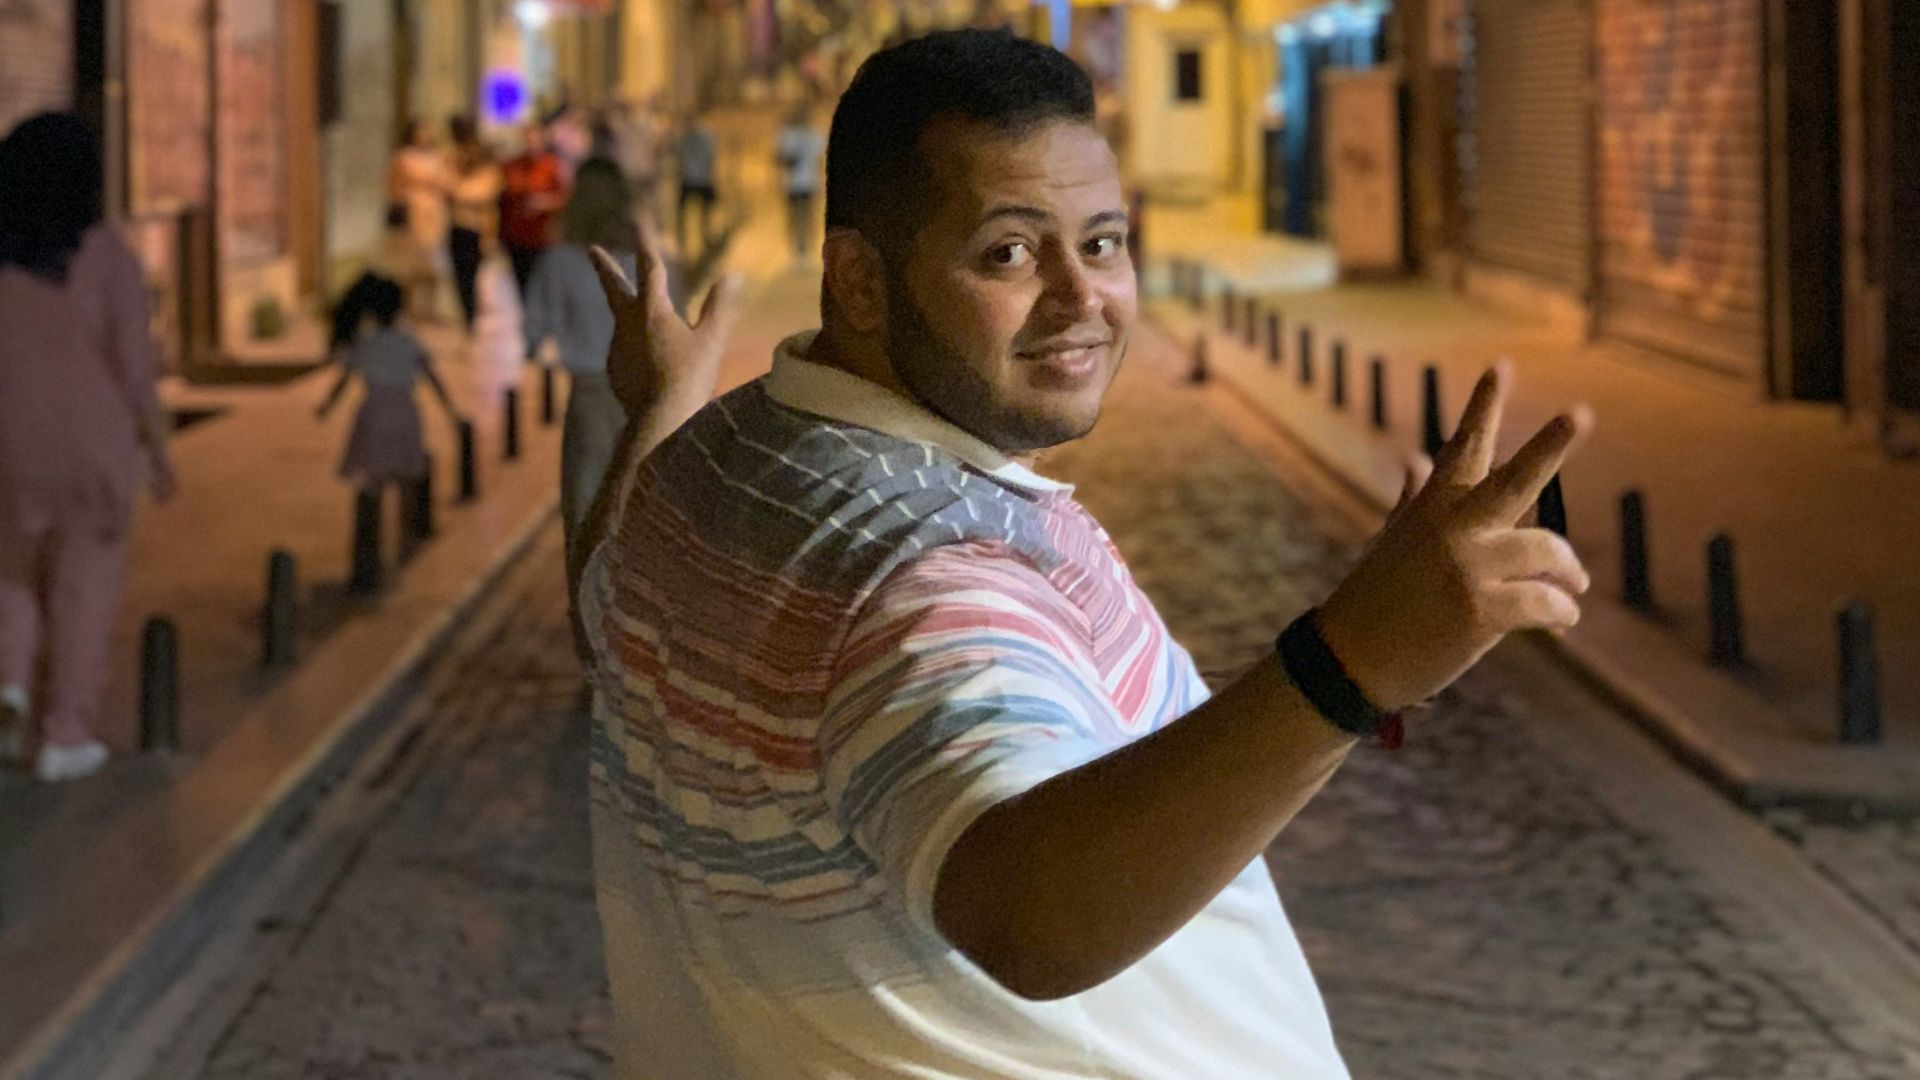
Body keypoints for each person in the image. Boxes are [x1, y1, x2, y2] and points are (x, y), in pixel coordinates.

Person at [576, 31, 1596, 1079]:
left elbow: (602, 595)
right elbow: (1029, 919)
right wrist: (1353, 666)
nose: (1082, 298)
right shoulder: (925, 580)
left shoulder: (708, 468)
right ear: (860, 282)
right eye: (1009, 253)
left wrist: (662, 412)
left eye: (1103, 242)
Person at [0, 112, 177, 783]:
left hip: (9, 444)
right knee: (86, 586)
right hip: (93, 446)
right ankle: (64, 734)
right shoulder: (106, 256)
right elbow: (134, 370)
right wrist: (159, 452)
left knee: (9, 573)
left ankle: (8, 686)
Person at [316, 276, 462, 503]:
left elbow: (344, 381)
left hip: (374, 414)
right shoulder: (408, 341)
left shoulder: (365, 342)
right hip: (405, 413)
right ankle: (407, 534)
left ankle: (371, 534)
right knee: (407, 479)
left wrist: (327, 407)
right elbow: (433, 377)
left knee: (373, 480)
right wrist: (450, 409)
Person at [387, 119, 451, 318]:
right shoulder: (403, 156)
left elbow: (447, 181)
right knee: (412, 263)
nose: (424, 135)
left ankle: (431, 308)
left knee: (434, 263)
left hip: (435, 214)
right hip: (414, 213)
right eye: (421, 131)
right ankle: (409, 307)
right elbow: (394, 185)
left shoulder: (438, 157)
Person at [500, 122, 569, 297]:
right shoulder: (510, 166)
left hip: (542, 238)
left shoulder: (552, 167)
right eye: (528, 140)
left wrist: (543, 203)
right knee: (523, 287)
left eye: (535, 140)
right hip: (516, 238)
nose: (531, 144)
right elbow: (502, 200)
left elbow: (565, 198)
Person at [447, 114, 502, 330]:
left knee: (473, 273)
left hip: (478, 229)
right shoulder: (454, 168)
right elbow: (449, 188)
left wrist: (462, 195)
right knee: (460, 274)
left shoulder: (489, 174)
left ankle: (472, 311)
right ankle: (467, 312)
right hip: (457, 226)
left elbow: (481, 196)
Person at [775, 104, 827, 261]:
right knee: (804, 215)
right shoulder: (814, 135)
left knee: (798, 216)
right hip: (806, 182)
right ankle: (802, 248)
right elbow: (819, 161)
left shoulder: (787, 136)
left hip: (796, 183)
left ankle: (801, 248)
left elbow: (779, 159)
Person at [674, 111, 718, 257]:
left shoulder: (684, 137)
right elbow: (711, 157)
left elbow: (678, 156)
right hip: (702, 179)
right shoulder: (706, 136)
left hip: (689, 179)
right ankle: (704, 239)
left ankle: (684, 241)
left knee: (684, 213)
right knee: (703, 214)